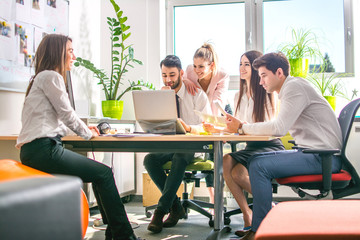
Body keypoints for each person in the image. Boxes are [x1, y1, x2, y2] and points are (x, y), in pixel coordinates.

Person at [16, 34, 141, 240]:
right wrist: (86, 133)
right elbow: (67, 114)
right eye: (70, 50)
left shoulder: (41, 77)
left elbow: (55, 124)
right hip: (44, 150)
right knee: (104, 174)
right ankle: (124, 236)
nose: (74, 55)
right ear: (58, 52)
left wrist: (82, 129)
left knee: (101, 175)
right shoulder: (51, 76)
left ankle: (116, 233)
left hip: (36, 150)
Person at [225, 52, 342, 240]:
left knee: (258, 165)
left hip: (324, 157)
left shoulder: (294, 88)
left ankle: (260, 230)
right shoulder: (291, 89)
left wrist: (242, 127)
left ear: (279, 72)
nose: (261, 81)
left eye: (263, 75)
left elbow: (279, 128)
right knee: (256, 160)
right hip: (312, 153)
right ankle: (263, 225)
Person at [203, 50, 284, 237]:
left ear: (257, 68)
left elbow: (269, 126)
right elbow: (237, 126)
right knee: (227, 161)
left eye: (247, 64)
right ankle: (249, 216)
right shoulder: (238, 95)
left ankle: (267, 208)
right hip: (251, 147)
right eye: (241, 64)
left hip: (269, 145)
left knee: (237, 172)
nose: (242, 68)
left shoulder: (268, 93)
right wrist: (218, 129)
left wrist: (242, 127)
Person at [144, 55, 212, 233]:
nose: (168, 80)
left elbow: (208, 127)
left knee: (180, 156)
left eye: (172, 75)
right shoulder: (161, 96)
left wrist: (188, 127)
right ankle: (175, 206)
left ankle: (160, 212)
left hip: (194, 146)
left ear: (182, 73)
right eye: (164, 75)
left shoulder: (197, 95)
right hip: (170, 145)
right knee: (150, 160)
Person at [183, 42, 230, 205]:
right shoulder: (189, 71)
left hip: (216, 111)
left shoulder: (222, 75)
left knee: (213, 150)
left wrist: (215, 130)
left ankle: (214, 198)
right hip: (196, 111)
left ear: (212, 65)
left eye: (201, 67)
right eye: (195, 66)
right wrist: (185, 80)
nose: (197, 70)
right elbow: (181, 85)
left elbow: (218, 103)